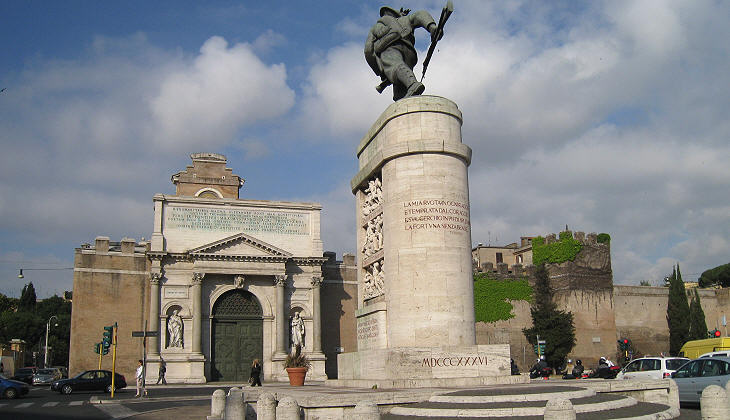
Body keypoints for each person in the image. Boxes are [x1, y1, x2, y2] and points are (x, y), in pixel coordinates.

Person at [365, 6, 442, 101]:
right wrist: (431, 26)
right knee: (400, 89)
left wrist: (380, 70)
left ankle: (412, 83)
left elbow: (368, 50)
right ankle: (405, 101)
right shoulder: (405, 20)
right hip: (410, 54)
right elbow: (420, 14)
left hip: (390, 50)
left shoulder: (376, 28)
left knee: (396, 68)